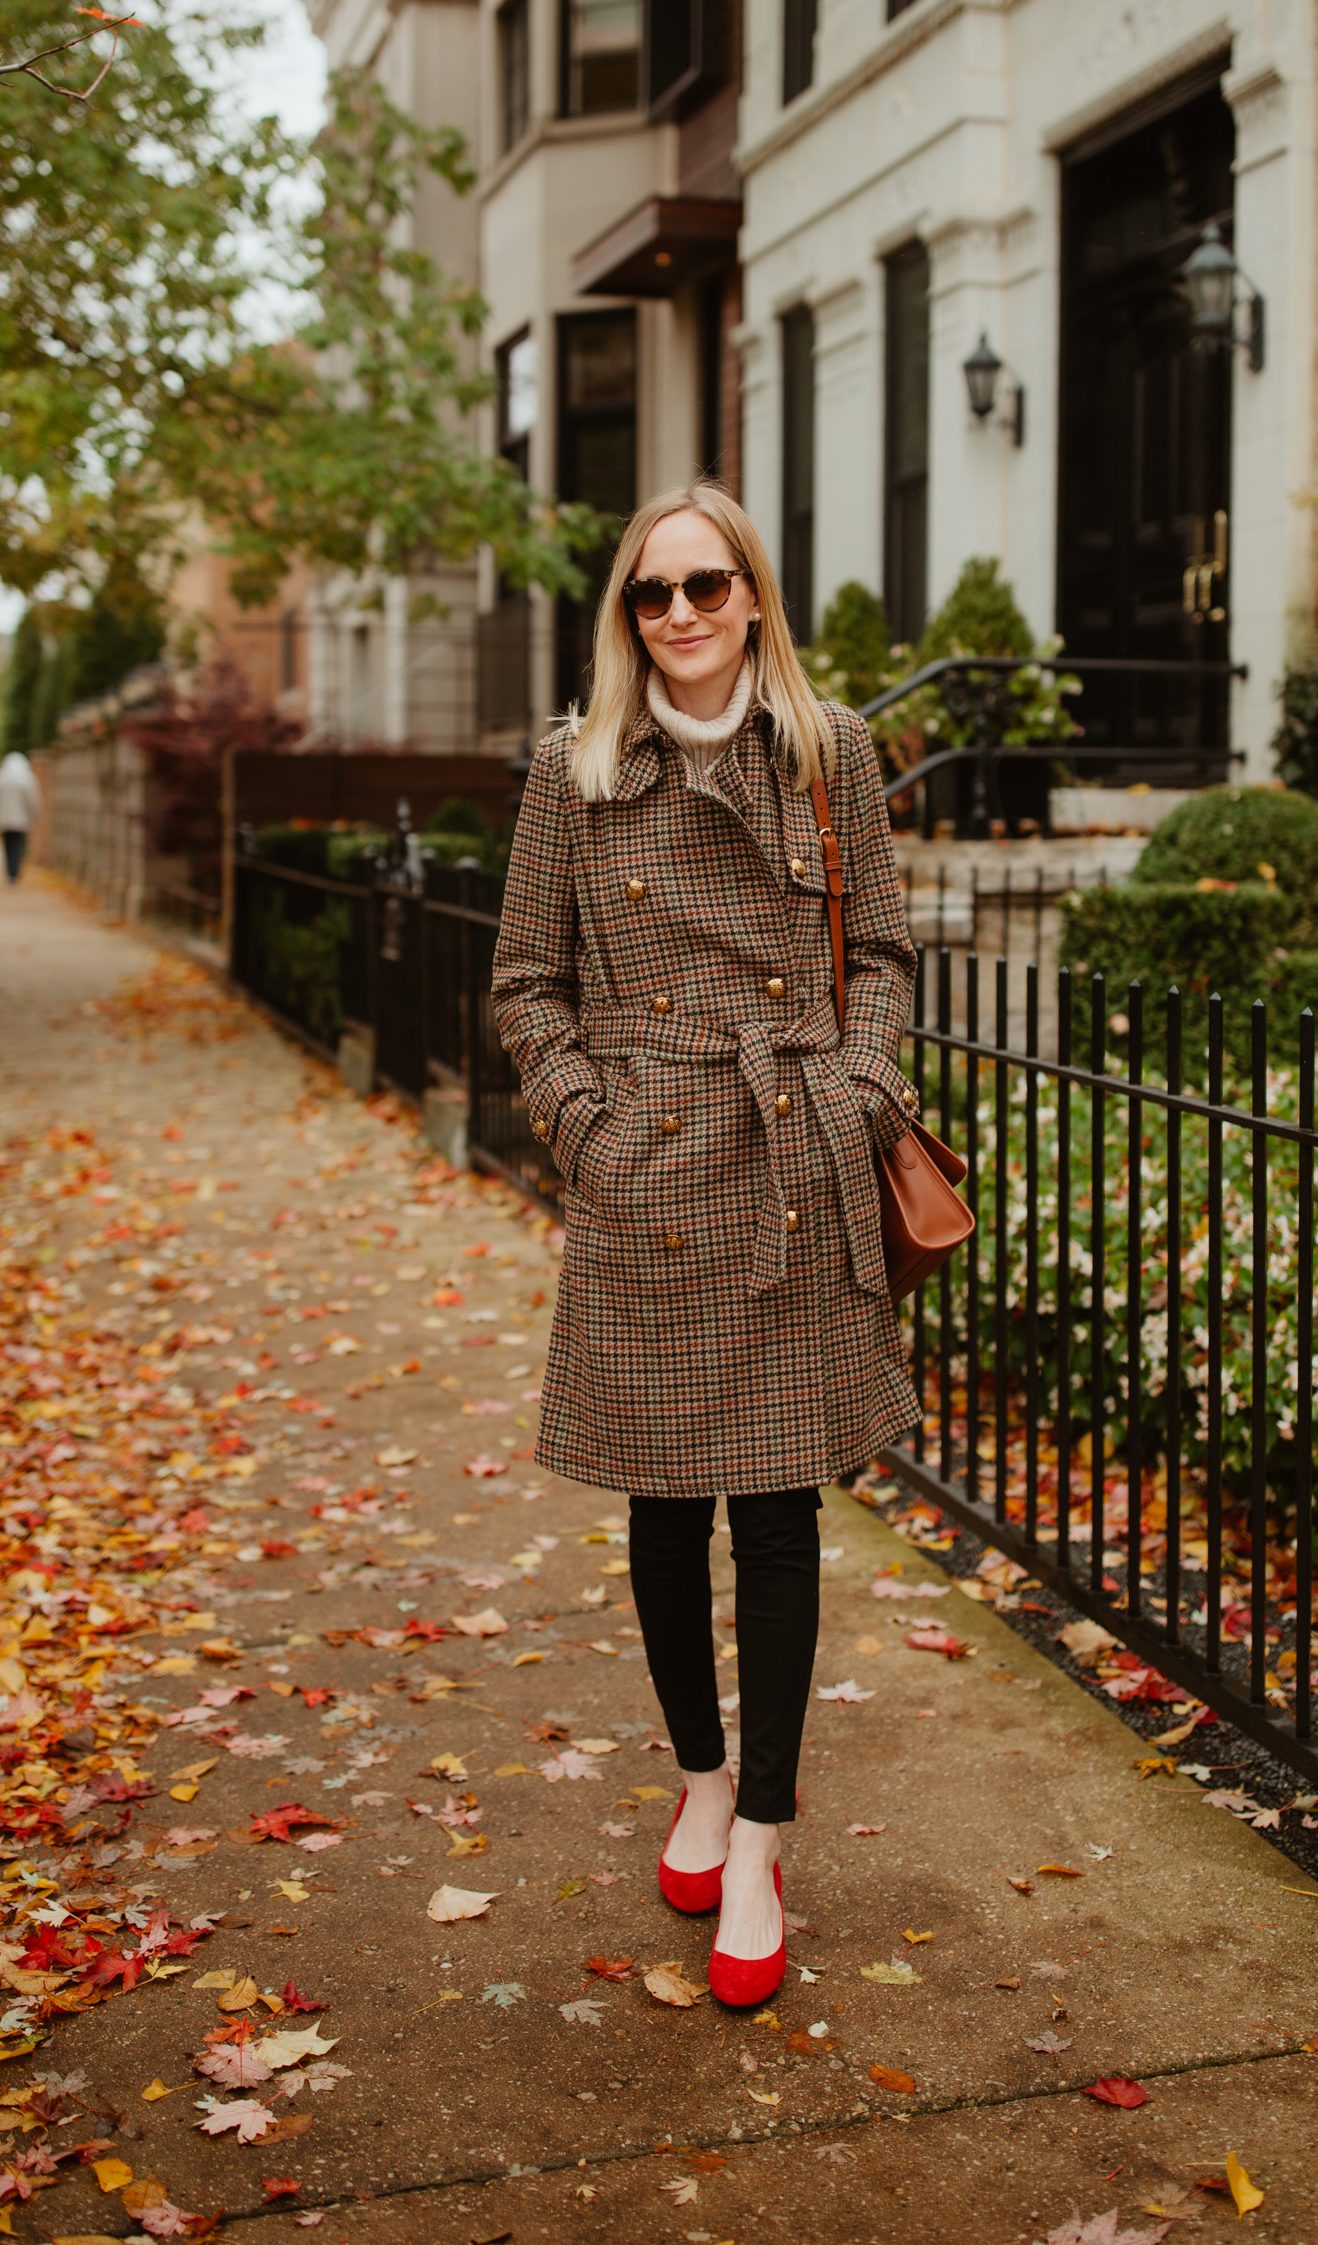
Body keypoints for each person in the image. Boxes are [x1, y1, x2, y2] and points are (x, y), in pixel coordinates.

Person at [491, 483, 921, 2010]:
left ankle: (763, 1838)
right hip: (650, 1168)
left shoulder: (831, 754)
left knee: (779, 1512)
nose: (679, 615)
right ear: (628, 614)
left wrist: (861, 1095)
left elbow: (881, 952)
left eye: (706, 585)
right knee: (668, 1508)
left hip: (792, 1149)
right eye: (651, 594)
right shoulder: (574, 770)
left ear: (754, 595)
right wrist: (598, 1133)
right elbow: (527, 984)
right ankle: (699, 1772)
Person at [0, 752, 40, 883]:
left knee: (7, 845)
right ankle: (15, 873)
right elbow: (32, 800)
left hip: (2, 818)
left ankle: (9, 872)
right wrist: (34, 815)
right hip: (21, 820)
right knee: (18, 845)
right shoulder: (27, 778)